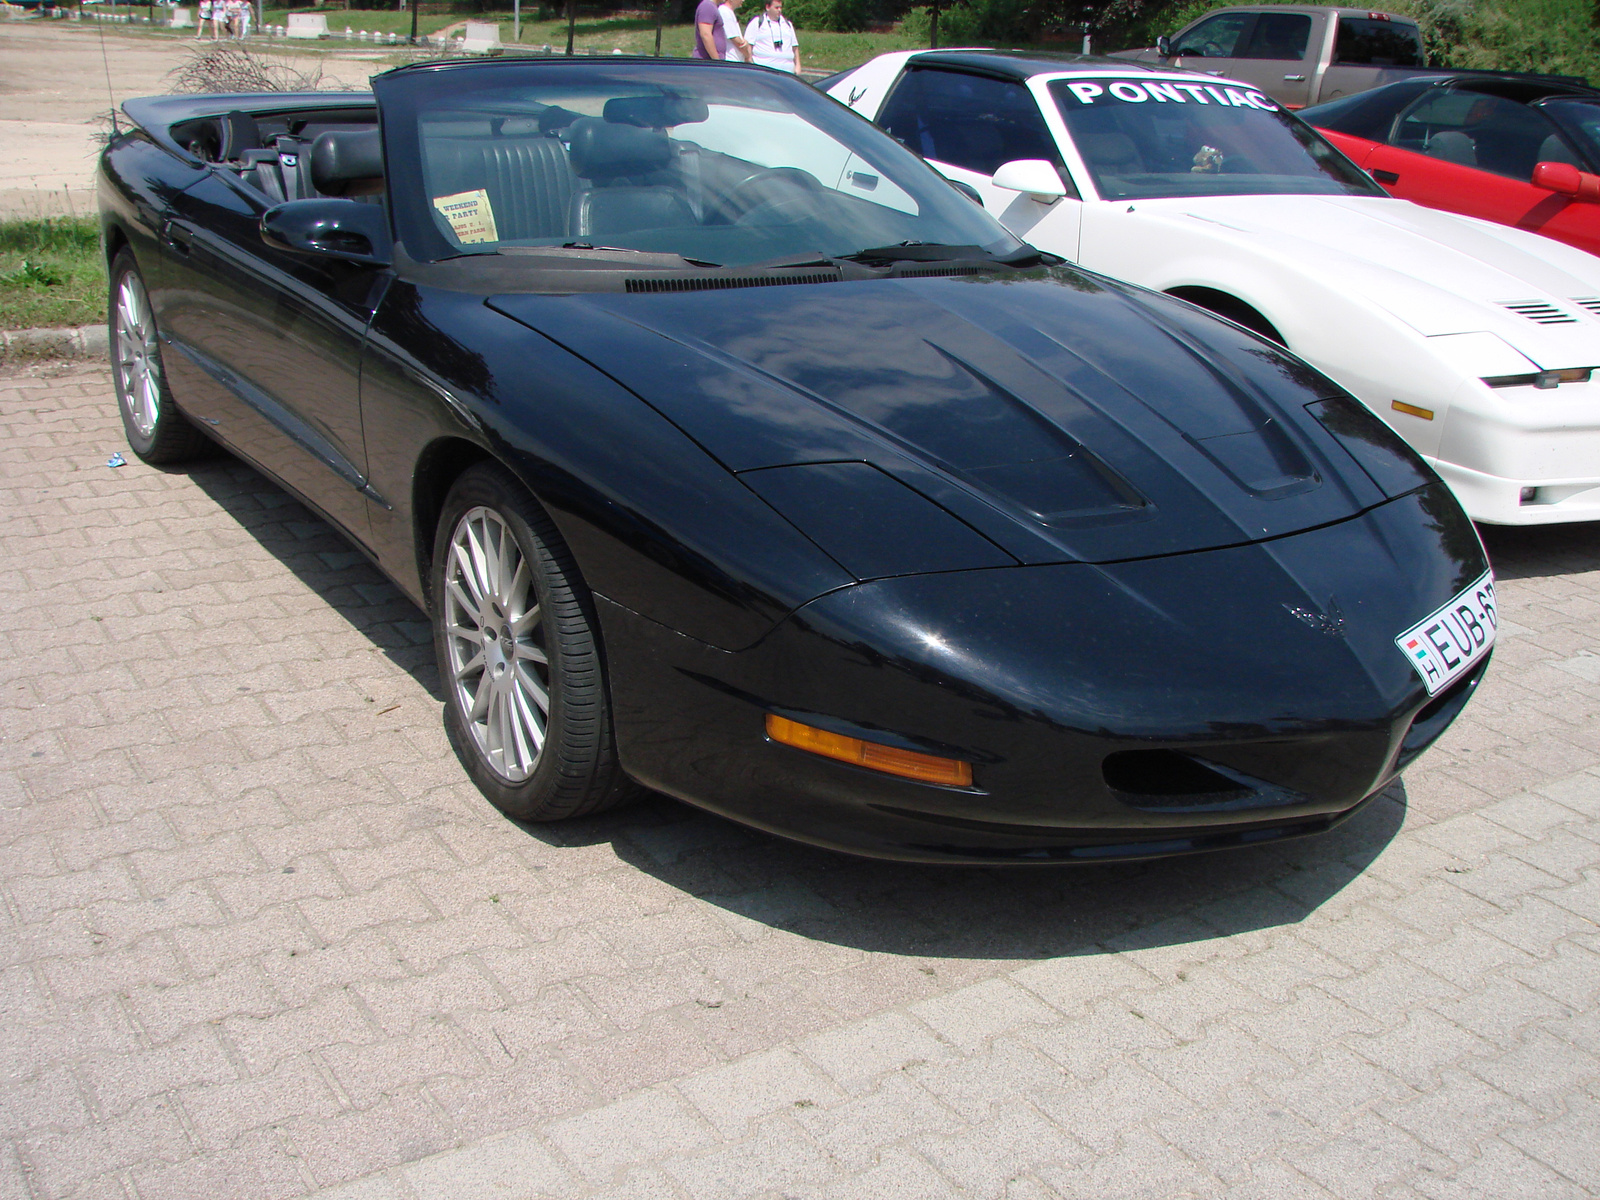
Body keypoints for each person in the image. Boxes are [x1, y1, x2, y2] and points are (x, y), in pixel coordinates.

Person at [744, 0, 798, 73]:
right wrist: (750, 62)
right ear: (767, 7)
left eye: (780, 7)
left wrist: (798, 66)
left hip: (787, 72)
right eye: (776, 8)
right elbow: (748, 45)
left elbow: (795, 47)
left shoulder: (787, 24)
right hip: (764, 72)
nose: (779, 10)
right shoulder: (757, 22)